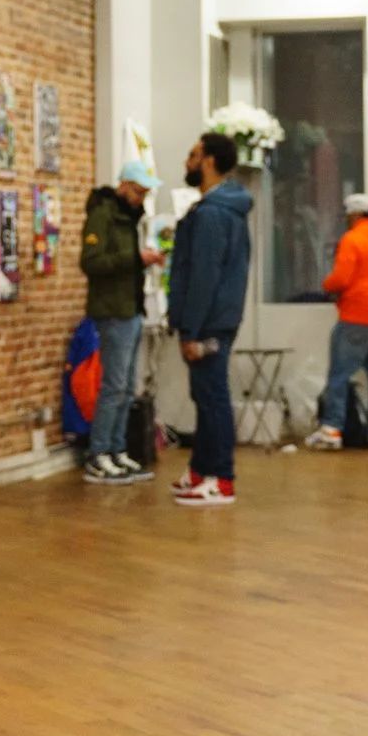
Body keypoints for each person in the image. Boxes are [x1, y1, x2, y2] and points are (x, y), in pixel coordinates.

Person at [165, 131, 252, 508]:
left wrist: (192, 329)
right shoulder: (214, 209)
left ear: (210, 161)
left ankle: (221, 478)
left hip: (210, 322)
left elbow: (204, 274)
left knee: (213, 397)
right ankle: (202, 470)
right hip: (214, 318)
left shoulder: (215, 213)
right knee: (203, 395)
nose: (187, 162)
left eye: (193, 155)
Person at [78, 157, 163, 484]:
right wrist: (134, 258)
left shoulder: (127, 219)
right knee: (113, 386)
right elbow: (91, 262)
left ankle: (117, 450)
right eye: (138, 192)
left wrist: (143, 260)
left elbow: (123, 263)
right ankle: (98, 454)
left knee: (127, 386)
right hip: (112, 311)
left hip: (130, 308)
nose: (141, 199)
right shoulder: (102, 215)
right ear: (124, 187)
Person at [306, 191, 368, 451]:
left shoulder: (353, 239)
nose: (346, 220)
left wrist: (326, 285)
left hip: (358, 315)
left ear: (356, 214)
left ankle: (332, 430)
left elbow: (341, 278)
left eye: (348, 215)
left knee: (340, 374)